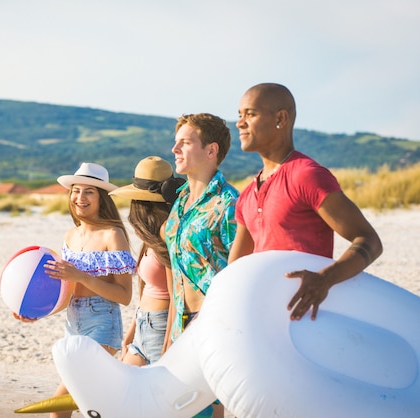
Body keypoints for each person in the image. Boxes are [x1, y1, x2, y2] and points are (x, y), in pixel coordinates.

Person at [229, 82, 383, 321]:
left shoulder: (306, 175)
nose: (240, 123)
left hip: (306, 321)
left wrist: (325, 279)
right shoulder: (247, 194)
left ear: (281, 118)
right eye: (240, 115)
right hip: (262, 321)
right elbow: (235, 271)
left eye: (251, 114)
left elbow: (369, 240)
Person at [40, 162, 136, 418]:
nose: (80, 198)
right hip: (72, 324)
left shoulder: (112, 235)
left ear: (101, 198)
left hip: (102, 322)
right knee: (89, 401)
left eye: (89, 192)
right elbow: (66, 289)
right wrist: (33, 311)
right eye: (76, 190)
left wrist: (82, 276)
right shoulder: (71, 234)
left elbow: (124, 296)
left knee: (63, 401)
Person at [164, 113, 240, 418]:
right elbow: (175, 275)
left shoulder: (229, 203)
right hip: (179, 327)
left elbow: (242, 275)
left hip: (212, 327)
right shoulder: (179, 203)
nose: (175, 149)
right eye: (175, 142)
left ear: (211, 150)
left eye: (185, 142)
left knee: (205, 412)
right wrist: (169, 338)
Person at [109, 156, 185, 366]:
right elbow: (145, 290)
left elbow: (175, 297)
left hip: (161, 327)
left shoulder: (166, 233)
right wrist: (131, 332)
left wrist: (170, 342)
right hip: (144, 323)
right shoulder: (150, 236)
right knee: (123, 392)